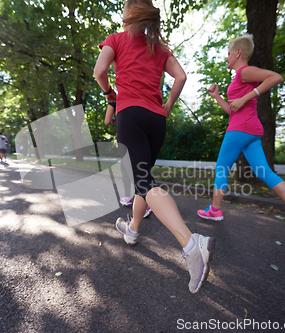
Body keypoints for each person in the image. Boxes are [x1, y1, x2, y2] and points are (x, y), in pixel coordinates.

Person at [94, 0, 215, 294]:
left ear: (131, 12)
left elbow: (100, 72)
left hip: (131, 116)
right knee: (141, 181)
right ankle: (132, 230)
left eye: (125, 7)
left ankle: (191, 244)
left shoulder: (116, 39)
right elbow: (181, 76)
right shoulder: (159, 47)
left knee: (145, 182)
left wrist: (111, 93)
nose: (122, 12)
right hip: (156, 120)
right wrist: (168, 106)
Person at [197, 34, 285, 240]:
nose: (226, 58)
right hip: (249, 130)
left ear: (238, 53)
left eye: (228, 53)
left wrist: (246, 96)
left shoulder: (245, 71)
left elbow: (276, 77)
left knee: (221, 168)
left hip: (239, 130)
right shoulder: (239, 77)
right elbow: (232, 111)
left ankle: (215, 210)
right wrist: (217, 97)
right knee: (264, 173)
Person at [105, 101, 152, 218]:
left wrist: (117, 119)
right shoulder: (141, 95)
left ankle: (143, 202)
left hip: (127, 132)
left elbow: (107, 121)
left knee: (127, 166)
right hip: (145, 130)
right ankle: (139, 198)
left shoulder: (114, 99)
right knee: (142, 166)